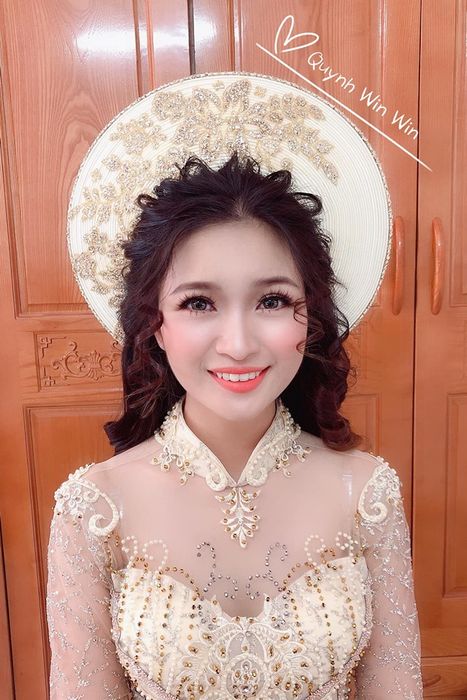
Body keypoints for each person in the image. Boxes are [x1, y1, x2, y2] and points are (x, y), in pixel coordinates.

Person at [46, 72, 423, 699]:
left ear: (311, 317)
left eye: (272, 300)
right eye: (199, 303)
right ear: (154, 324)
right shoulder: (94, 509)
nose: (240, 343)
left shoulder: (367, 493)